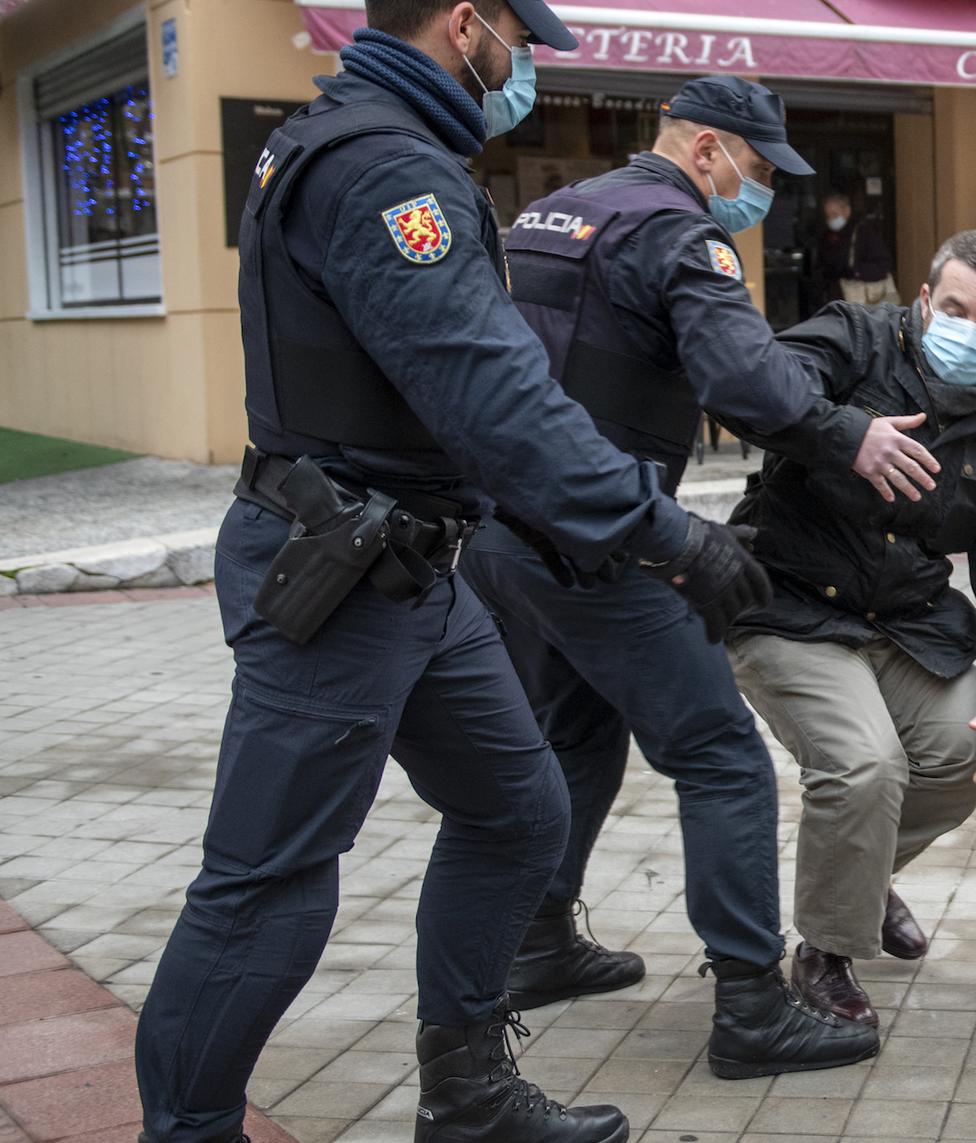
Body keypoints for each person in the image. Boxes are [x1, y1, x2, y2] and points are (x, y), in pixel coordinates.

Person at [131, 1, 772, 1139]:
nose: (522, 68)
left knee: (518, 812)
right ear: (464, 24)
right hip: (341, 574)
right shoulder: (387, 174)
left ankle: (469, 1096)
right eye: (520, 46)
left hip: (415, 566)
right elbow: (496, 400)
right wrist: (664, 534)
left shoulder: (366, 138)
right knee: (266, 884)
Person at [460, 77, 940, 1076]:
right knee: (720, 757)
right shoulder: (681, 233)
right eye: (760, 171)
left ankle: (538, 946)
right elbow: (741, 376)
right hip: (598, 537)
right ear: (710, 151)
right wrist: (847, 434)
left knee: (578, 734)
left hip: (502, 537)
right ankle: (750, 1006)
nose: (760, 193)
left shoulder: (557, 214)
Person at [720, 230, 976, 1027]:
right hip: (791, 604)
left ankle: (856, 883)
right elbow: (750, 389)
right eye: (955, 309)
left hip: (906, 623)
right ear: (923, 300)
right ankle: (826, 952)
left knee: (967, 746)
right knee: (865, 765)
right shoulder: (854, 335)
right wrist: (846, 434)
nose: (969, 330)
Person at [817, 192, 898, 305]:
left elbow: (883, 265)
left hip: (862, 300)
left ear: (847, 211)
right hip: (835, 299)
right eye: (828, 216)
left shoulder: (864, 233)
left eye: (834, 215)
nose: (831, 220)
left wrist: (855, 271)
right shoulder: (827, 237)